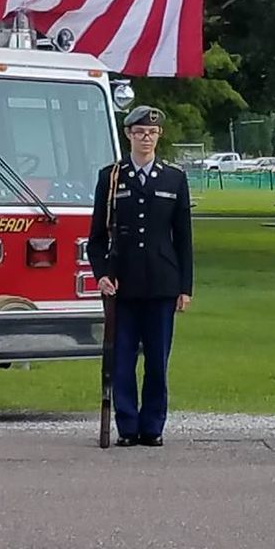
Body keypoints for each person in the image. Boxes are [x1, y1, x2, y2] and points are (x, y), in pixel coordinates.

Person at [87, 106, 193, 446]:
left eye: (151, 133)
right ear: (128, 134)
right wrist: (102, 273)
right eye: (139, 132)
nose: (145, 138)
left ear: (159, 136)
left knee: (157, 362)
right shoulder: (112, 176)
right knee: (123, 360)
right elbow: (97, 238)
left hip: (162, 281)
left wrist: (185, 287)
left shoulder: (174, 178)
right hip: (123, 282)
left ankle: (153, 426)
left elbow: (183, 237)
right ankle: (127, 426)